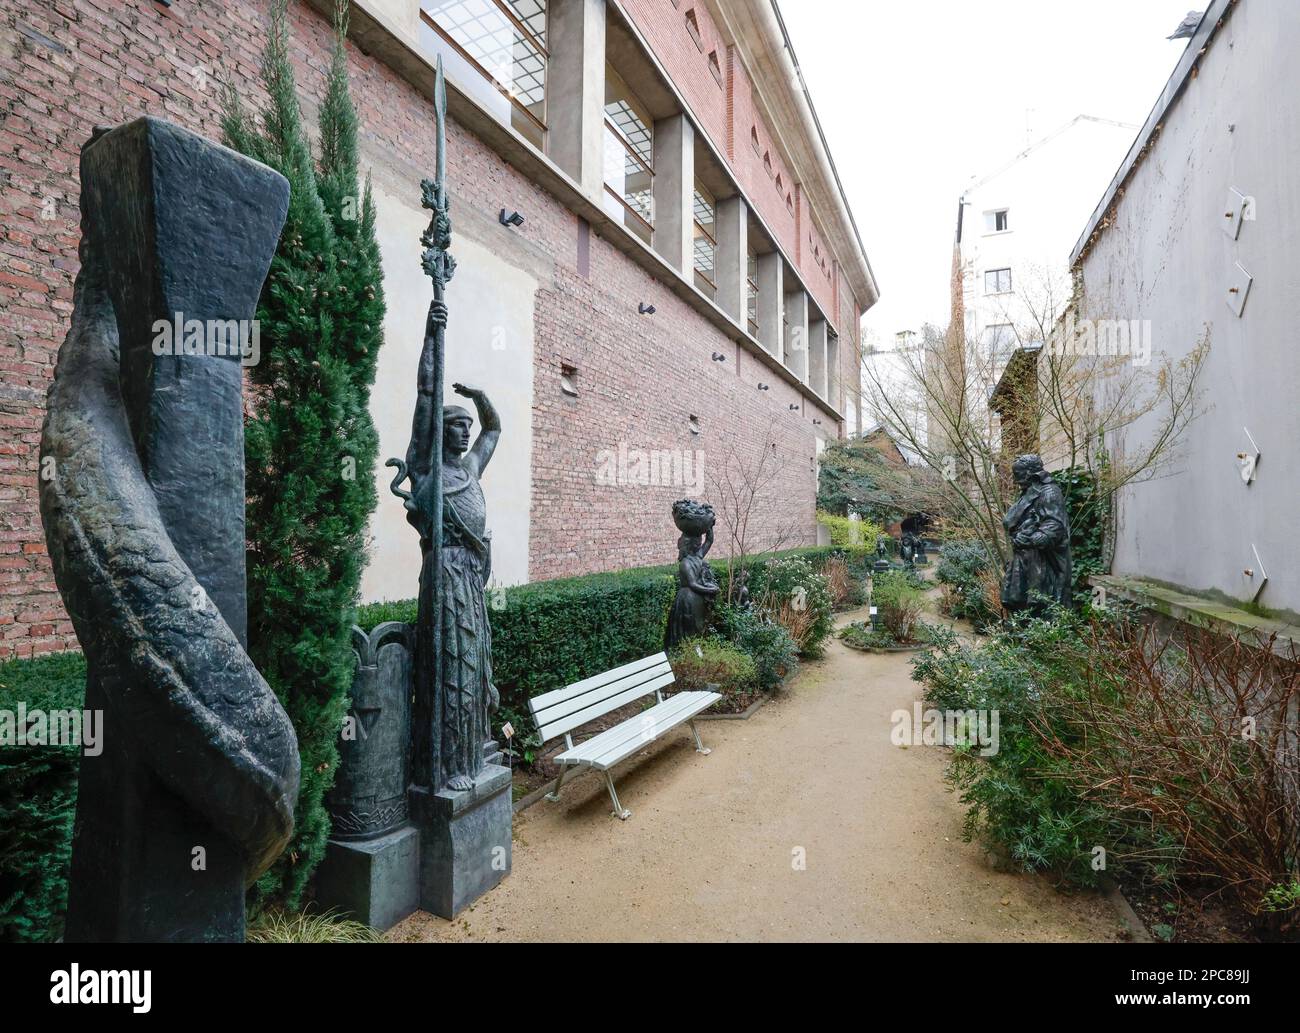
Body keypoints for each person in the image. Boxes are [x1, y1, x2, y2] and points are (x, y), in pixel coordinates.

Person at [400, 299, 501, 792]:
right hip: (443, 574)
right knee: (449, 664)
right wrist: (431, 332)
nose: (465, 431)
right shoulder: (427, 469)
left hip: (471, 576)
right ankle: (447, 765)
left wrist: (480, 396)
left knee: (473, 659)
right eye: (456, 424)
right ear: (441, 432)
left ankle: (470, 755)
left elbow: (495, 428)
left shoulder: (472, 468)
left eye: (467, 425)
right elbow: (424, 395)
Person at [1001, 454, 1073, 616]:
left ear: (1030, 473)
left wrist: (1031, 538)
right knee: (1022, 604)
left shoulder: (1049, 492)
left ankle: (1040, 635)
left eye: (1018, 474)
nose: (1015, 479)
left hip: (1042, 562)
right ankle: (1026, 632)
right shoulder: (1029, 492)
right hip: (1024, 559)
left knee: (1040, 604)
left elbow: (1055, 525)